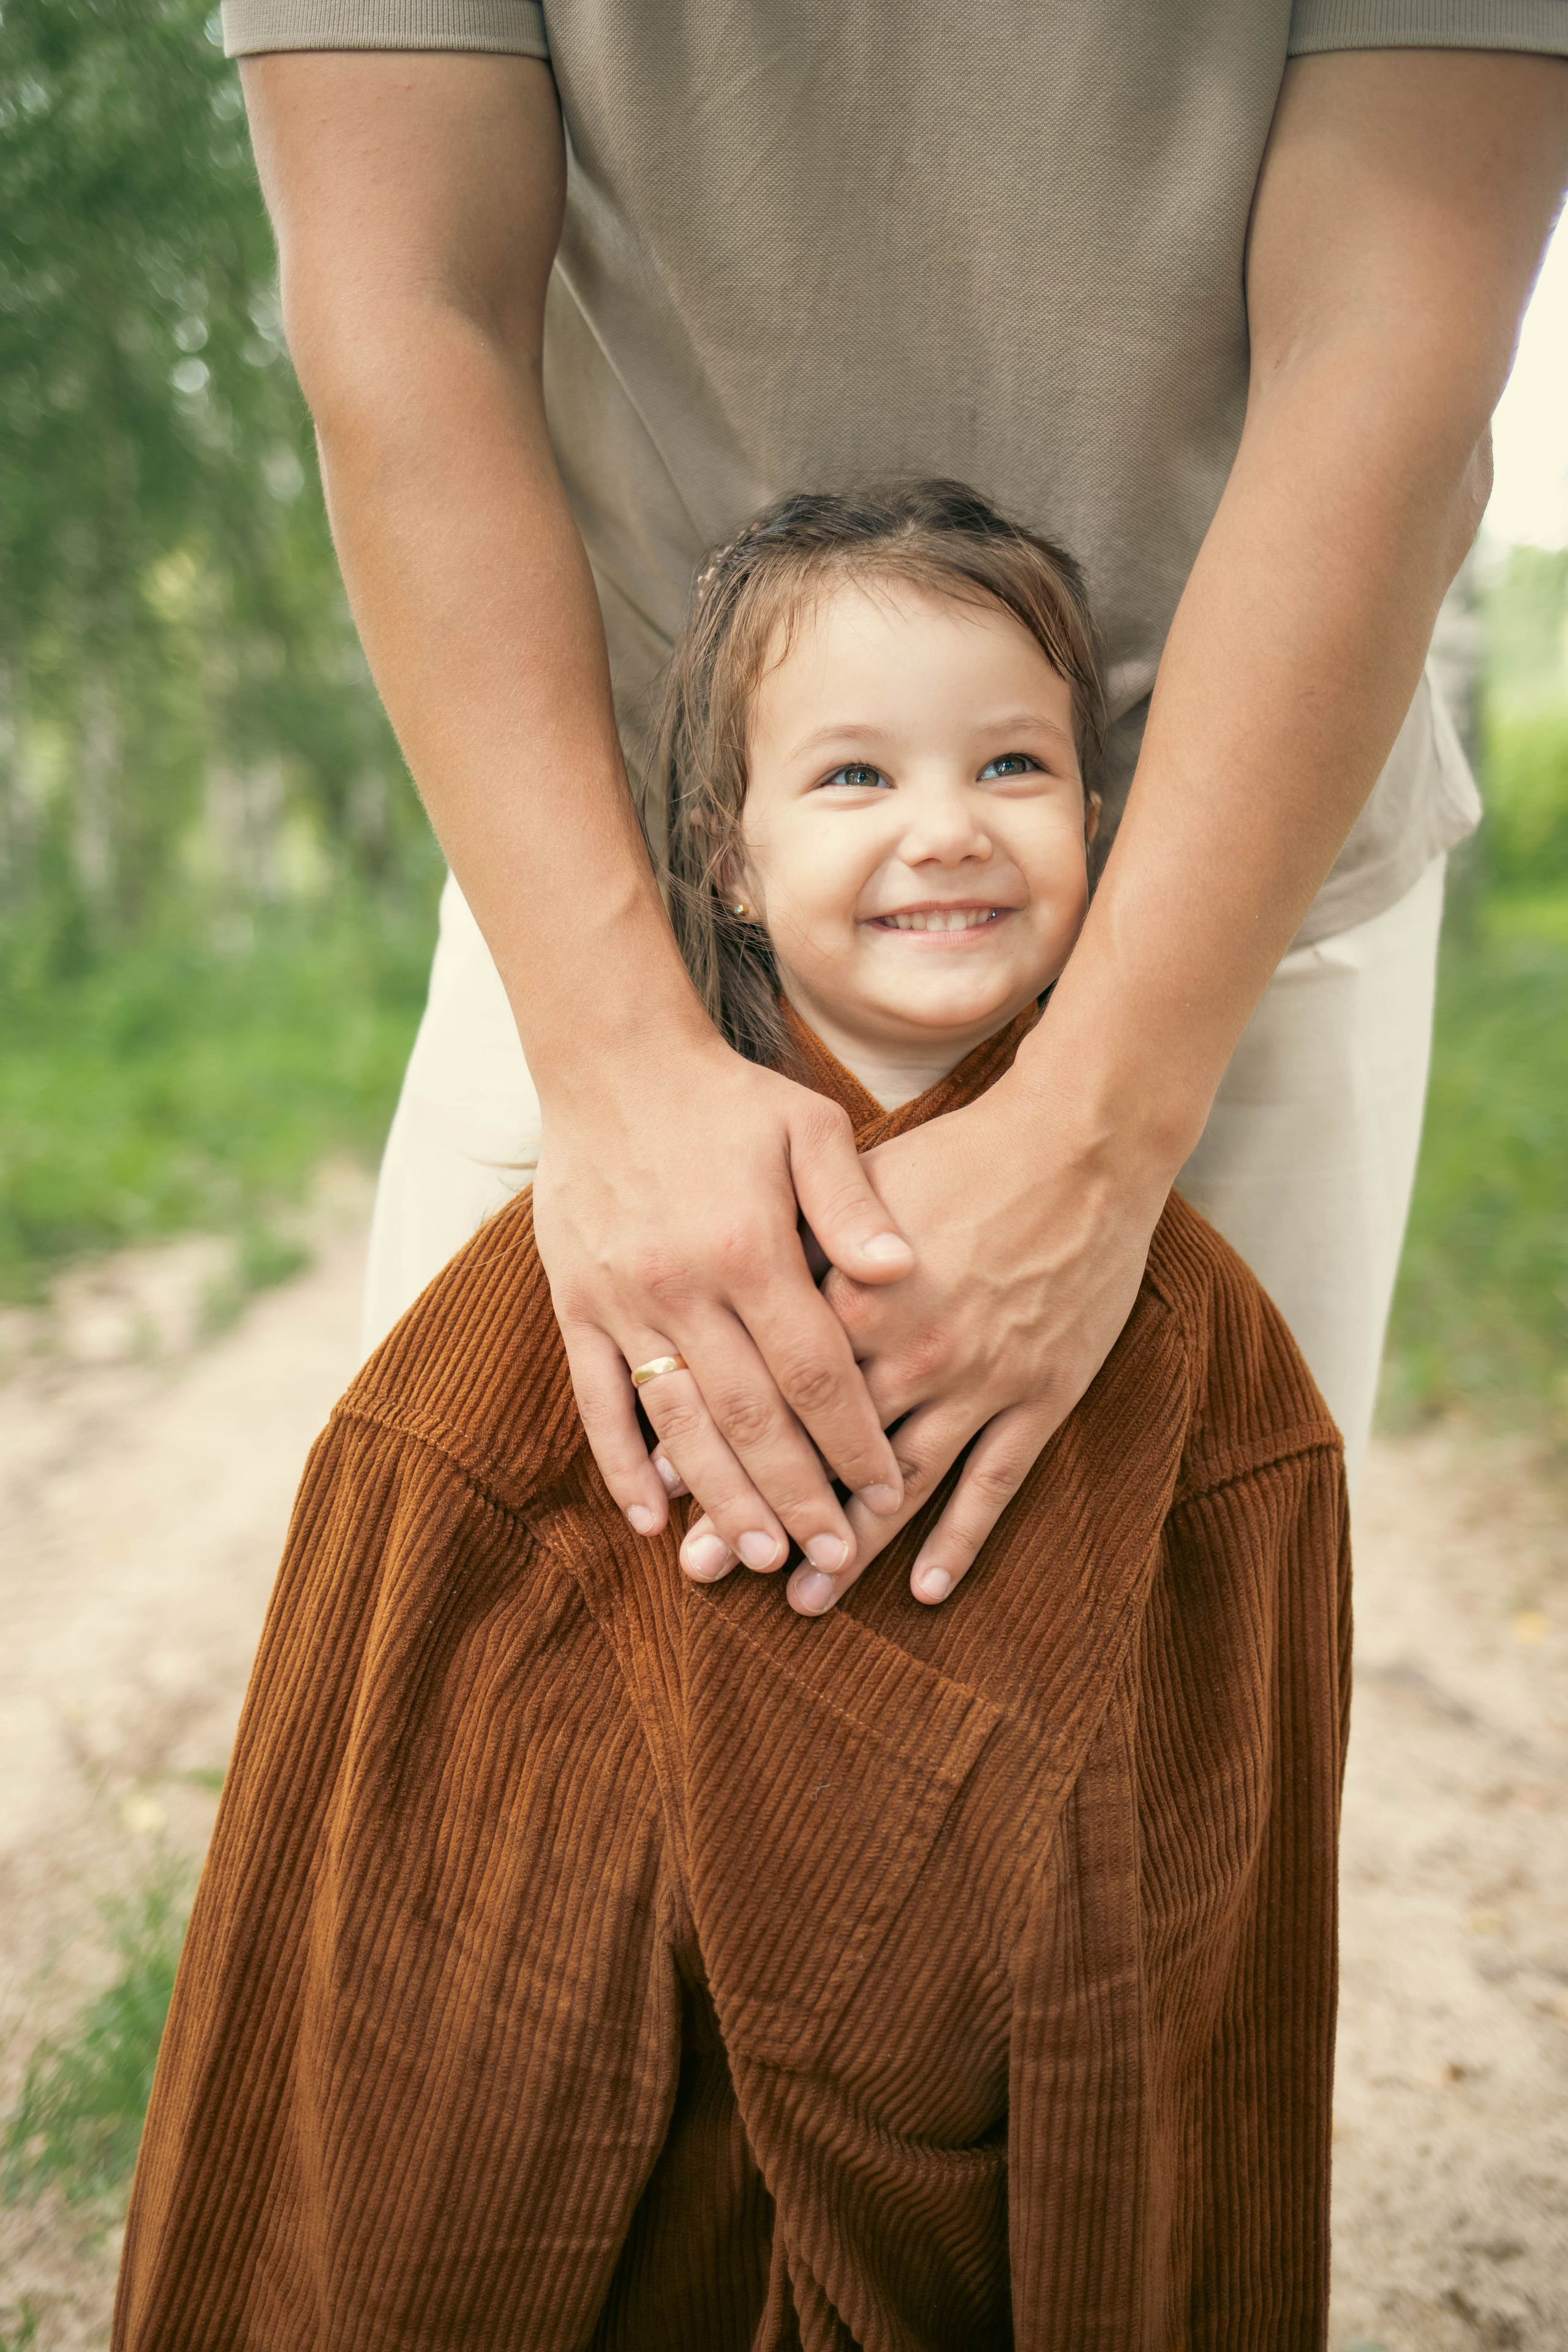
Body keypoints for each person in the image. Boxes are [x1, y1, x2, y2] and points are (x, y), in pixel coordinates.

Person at [115, 486, 1350, 2348]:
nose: (947, 828)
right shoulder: (572, 1279)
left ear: (1103, 824)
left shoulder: (1195, 1338)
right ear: (729, 859)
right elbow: (402, 1832)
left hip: (990, 2106)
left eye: (1015, 764)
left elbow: (1198, 1933)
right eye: (854, 778)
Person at [227, 8, 1568, 1613]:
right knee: (475, 1648)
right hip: (617, 861)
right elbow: (404, 308)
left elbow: (1392, 335)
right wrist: (619, 1065)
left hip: (1253, 867)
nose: (942, 826)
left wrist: (1104, 1121)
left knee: (1180, 1694)